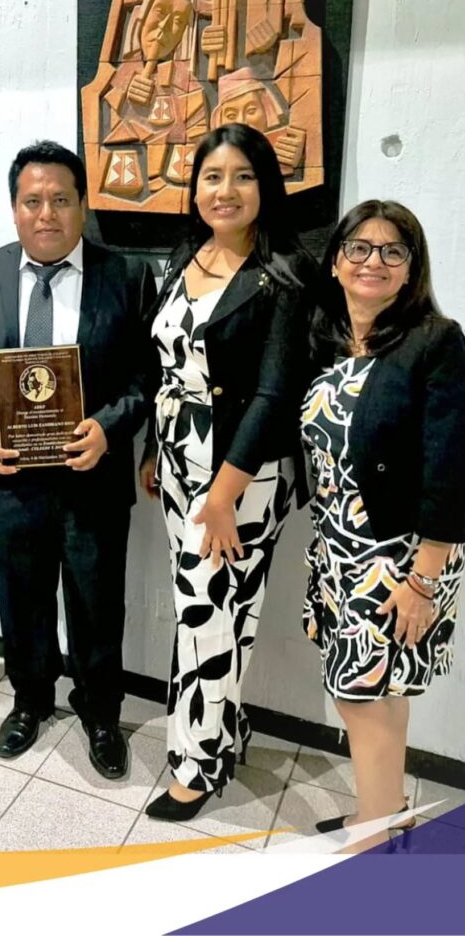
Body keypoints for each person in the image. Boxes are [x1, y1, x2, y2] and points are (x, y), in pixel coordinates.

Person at [0, 140, 157, 779]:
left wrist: (109, 430)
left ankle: (100, 712)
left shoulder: (127, 276)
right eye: (32, 201)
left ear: (83, 205)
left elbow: (148, 376)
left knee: (97, 603)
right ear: (14, 208)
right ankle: (30, 699)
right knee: (21, 599)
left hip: (92, 478)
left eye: (61, 199)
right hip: (9, 479)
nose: (47, 214)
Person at [139, 123, 313, 820]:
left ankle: (196, 764)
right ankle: (223, 730)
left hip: (241, 474)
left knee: (206, 613)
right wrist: (155, 450)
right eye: (212, 176)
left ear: (265, 187)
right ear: (195, 189)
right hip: (179, 462)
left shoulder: (285, 275)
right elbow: (169, 368)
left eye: (243, 176)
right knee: (215, 611)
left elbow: (274, 395)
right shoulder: (185, 254)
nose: (225, 190)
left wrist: (221, 495)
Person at [301, 200, 465, 850]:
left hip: (400, 559)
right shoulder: (327, 341)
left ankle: (371, 841)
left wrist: (422, 582)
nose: (374, 261)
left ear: (411, 268)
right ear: (335, 261)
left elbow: (451, 466)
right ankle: (389, 812)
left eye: (392, 250)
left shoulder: (435, 341)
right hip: (340, 550)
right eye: (359, 247)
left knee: (360, 697)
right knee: (380, 691)